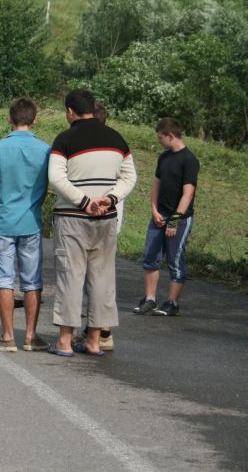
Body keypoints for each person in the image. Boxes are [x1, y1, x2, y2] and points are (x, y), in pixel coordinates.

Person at [47, 89, 137, 357]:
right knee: (102, 278)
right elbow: (130, 177)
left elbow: (56, 177)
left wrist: (84, 201)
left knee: (70, 276)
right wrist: (110, 199)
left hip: (73, 218)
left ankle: (64, 341)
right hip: (106, 219)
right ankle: (95, 341)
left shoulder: (64, 139)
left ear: (70, 112)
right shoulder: (116, 138)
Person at [0, 98, 51, 352]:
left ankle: (8, 336)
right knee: (32, 280)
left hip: (2, 220)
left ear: (9, 119)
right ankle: (31, 335)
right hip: (30, 221)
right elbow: (46, 186)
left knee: (4, 279)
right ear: (34, 120)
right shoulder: (46, 150)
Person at [133, 117, 199, 317]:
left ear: (170, 136)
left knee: (175, 259)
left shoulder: (189, 160)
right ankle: (150, 299)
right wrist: (154, 209)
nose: (159, 141)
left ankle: (172, 302)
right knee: (150, 257)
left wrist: (175, 219)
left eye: (161, 138)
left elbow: (188, 193)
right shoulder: (164, 157)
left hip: (179, 218)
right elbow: (156, 184)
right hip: (159, 215)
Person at [72, 102, 119, 351]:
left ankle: (95, 333)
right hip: (111, 218)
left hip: (89, 217)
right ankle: (103, 333)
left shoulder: (89, 147)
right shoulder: (116, 147)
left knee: (85, 279)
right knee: (103, 279)